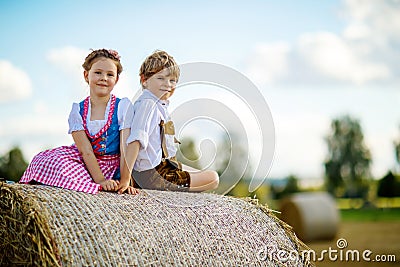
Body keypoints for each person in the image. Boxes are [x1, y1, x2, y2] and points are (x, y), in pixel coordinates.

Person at [20, 49, 139, 195]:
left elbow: (126, 146)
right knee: (42, 160)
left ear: (116, 79)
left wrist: (125, 180)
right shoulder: (77, 110)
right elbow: (85, 151)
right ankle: (92, 184)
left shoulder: (123, 106)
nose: (103, 78)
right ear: (86, 75)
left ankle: (90, 184)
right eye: (98, 72)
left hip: (113, 165)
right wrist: (100, 180)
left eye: (110, 74)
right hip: (85, 163)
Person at [118, 50, 219, 193]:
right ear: (144, 80)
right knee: (213, 178)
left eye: (172, 80)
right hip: (154, 174)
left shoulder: (158, 105)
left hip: (166, 165)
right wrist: (126, 179)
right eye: (160, 78)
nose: (167, 84)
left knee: (204, 172)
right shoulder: (148, 104)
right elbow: (135, 140)